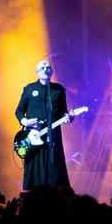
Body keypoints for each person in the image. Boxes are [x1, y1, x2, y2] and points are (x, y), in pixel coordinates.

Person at [15, 59, 71, 189]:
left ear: (51, 72)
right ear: (37, 72)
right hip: (33, 135)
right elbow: (19, 110)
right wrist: (25, 122)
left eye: (48, 67)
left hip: (53, 136)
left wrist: (68, 118)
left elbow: (64, 112)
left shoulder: (58, 90)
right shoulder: (29, 89)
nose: (45, 69)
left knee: (55, 166)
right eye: (42, 67)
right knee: (35, 166)